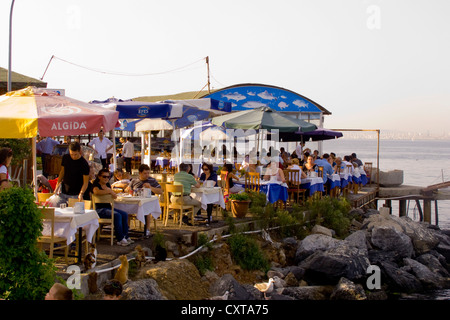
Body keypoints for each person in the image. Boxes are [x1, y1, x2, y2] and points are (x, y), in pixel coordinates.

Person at [93, 168, 132, 246]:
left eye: (108, 177)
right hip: (99, 209)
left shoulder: (107, 185)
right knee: (117, 215)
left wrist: (110, 191)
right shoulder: (96, 184)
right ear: (99, 177)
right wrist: (109, 191)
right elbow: (96, 191)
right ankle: (120, 238)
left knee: (124, 214)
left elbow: (114, 196)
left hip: (108, 207)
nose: (106, 178)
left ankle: (125, 236)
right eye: (104, 177)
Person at [125, 164, 163, 237]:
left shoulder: (152, 180)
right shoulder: (134, 181)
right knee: (126, 210)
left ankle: (147, 230)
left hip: (147, 203)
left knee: (147, 211)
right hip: (135, 203)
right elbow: (128, 189)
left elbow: (160, 191)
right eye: (145, 173)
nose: (147, 175)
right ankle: (127, 228)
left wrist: (150, 187)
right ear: (140, 173)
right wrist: (128, 190)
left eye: (148, 173)